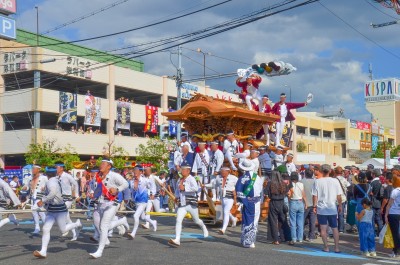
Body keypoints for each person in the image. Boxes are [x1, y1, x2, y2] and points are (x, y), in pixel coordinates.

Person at [33, 167, 82, 259]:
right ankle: (43, 251)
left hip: (59, 209)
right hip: (52, 208)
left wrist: (42, 200)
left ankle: (76, 224)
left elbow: (53, 193)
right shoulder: (55, 180)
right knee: (46, 228)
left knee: (63, 230)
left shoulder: (52, 182)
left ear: (47, 174)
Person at [89, 159, 129, 259]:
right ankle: (121, 221)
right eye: (101, 163)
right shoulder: (97, 176)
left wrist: (117, 189)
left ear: (109, 166)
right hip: (99, 203)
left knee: (103, 226)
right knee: (98, 225)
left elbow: (126, 183)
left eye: (103, 164)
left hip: (112, 203)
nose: (101, 165)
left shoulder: (114, 175)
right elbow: (96, 189)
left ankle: (99, 251)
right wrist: (92, 194)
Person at [169, 162, 208, 247]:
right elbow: (177, 190)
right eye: (181, 169)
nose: (181, 171)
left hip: (191, 203)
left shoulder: (191, 178)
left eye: (183, 170)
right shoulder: (179, 180)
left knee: (196, 220)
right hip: (182, 204)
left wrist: (185, 188)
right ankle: (177, 239)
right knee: (178, 220)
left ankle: (203, 227)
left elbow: (195, 188)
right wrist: (176, 197)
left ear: (188, 171)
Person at [312, 164, 343, 253]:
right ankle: (337, 248)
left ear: (321, 171)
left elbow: (315, 195)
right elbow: (339, 196)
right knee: (334, 228)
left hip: (321, 208)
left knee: (323, 228)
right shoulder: (335, 181)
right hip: (332, 207)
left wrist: (314, 206)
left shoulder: (317, 181)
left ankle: (326, 247)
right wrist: (340, 205)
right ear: (330, 171)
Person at [236, 159, 263, 248]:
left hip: (248, 201)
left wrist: (243, 201)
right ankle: (249, 241)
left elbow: (239, 191)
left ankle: (246, 240)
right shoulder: (257, 177)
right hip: (257, 201)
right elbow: (260, 190)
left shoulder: (243, 178)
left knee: (247, 220)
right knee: (254, 222)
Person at [128, 166, 157, 239]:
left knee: (135, 216)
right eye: (134, 170)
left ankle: (133, 233)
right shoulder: (131, 181)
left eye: (137, 170)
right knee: (143, 217)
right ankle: (153, 222)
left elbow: (153, 185)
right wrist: (130, 198)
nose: (135, 172)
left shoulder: (145, 180)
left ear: (141, 172)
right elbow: (131, 191)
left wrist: (152, 194)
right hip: (137, 201)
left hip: (144, 201)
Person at [55, 162, 80, 241]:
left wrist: (76, 195)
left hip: (68, 199)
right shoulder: (56, 177)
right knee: (67, 217)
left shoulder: (67, 176)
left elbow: (75, 184)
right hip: (60, 199)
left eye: (57, 167)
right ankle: (75, 231)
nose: (56, 169)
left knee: (61, 213)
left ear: (62, 168)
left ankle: (66, 228)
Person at [265, 171, 291, 245]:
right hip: (282, 202)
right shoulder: (283, 183)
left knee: (273, 222)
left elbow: (266, 194)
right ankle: (288, 238)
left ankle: (275, 239)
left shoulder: (270, 184)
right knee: (283, 221)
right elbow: (288, 193)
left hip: (273, 202)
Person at [22, 164, 48, 234]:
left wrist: (45, 188)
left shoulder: (44, 178)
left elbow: (49, 185)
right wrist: (25, 188)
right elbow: (27, 186)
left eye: (34, 169)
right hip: (33, 196)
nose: (32, 170)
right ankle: (46, 226)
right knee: (40, 212)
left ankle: (37, 227)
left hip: (40, 196)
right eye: (32, 169)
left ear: (38, 169)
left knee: (34, 209)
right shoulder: (30, 178)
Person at [216, 167, 238, 235]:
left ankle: (223, 229)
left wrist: (236, 197)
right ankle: (234, 219)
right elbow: (213, 185)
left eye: (223, 172)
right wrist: (204, 185)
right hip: (222, 197)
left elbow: (239, 186)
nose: (222, 173)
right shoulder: (218, 178)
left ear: (228, 172)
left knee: (225, 211)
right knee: (226, 211)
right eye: (221, 172)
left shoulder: (234, 178)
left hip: (230, 198)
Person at [289, 172, 306, 244]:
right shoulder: (301, 184)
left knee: (293, 222)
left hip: (293, 202)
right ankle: (300, 238)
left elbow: (290, 193)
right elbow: (303, 194)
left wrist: (289, 198)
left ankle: (294, 238)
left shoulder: (290, 184)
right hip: (300, 202)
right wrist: (306, 203)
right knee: (300, 222)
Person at [385, 181, 400, 258]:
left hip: (394, 213)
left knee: (395, 233)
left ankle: (396, 251)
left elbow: (389, 203)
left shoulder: (395, 191)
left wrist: (386, 214)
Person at [301, 168, 316, 242]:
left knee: (302, 220)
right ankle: (311, 237)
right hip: (314, 204)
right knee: (312, 221)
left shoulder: (302, 181)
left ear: (305, 174)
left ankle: (302, 234)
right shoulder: (315, 181)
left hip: (304, 203)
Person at [334, 166, 350, 233]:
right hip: (342, 198)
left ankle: (334, 228)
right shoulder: (344, 179)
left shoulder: (333, 180)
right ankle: (341, 229)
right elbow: (349, 185)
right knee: (341, 214)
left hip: (334, 198)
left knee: (334, 214)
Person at [369, 169, 384, 235]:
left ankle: (373, 232)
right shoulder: (381, 182)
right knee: (378, 218)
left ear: (374, 174)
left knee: (372, 218)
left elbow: (370, 192)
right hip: (379, 202)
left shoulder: (373, 183)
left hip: (373, 201)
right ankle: (381, 232)